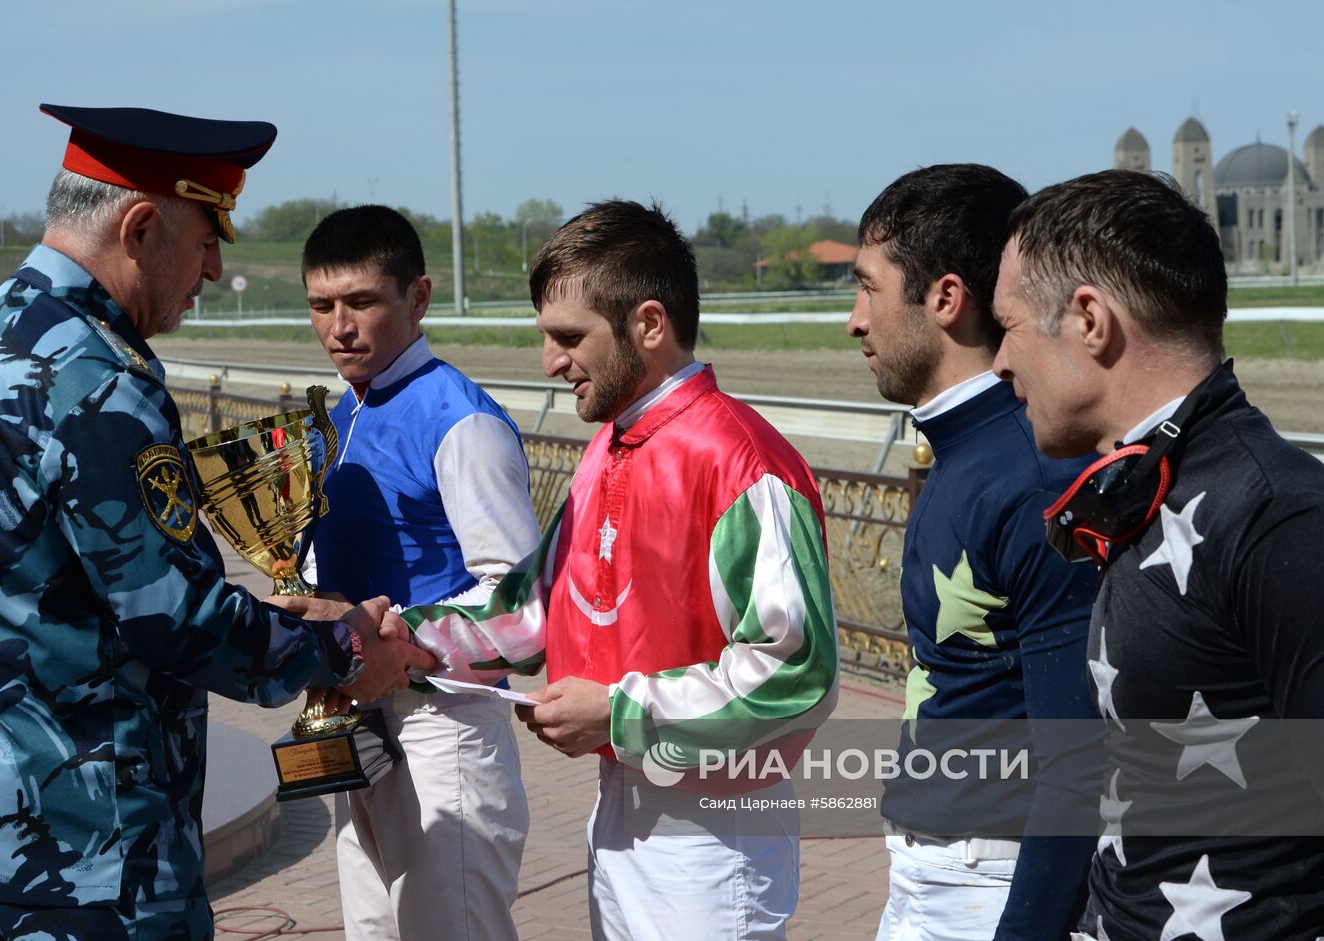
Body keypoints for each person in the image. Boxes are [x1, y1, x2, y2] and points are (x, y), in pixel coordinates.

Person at [0, 104, 434, 940]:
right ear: (140, 226)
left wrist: (287, 612)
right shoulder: (95, 376)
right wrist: (344, 648)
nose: (210, 271)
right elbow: (179, 619)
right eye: (205, 241)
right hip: (93, 853)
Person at [388, 200, 838, 940]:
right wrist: (397, 640)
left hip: (713, 837)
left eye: (569, 338)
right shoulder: (608, 447)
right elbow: (533, 612)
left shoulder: (742, 461)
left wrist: (621, 712)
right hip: (621, 805)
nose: (550, 362)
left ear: (649, 325)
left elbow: (796, 672)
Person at [991, 169, 1324, 939]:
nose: (1000, 361)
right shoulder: (1149, 487)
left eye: (1008, 325)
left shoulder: (1279, 515)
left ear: (1089, 320)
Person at [847, 164, 1103, 941]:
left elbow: (1080, 763)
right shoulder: (965, 452)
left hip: (991, 884)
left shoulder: (1028, 476)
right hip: (932, 873)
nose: (854, 320)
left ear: (946, 299)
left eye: (866, 287)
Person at [270, 205, 539, 941]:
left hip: (441, 729)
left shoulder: (461, 420)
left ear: (417, 297)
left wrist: (397, 641)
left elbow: (522, 606)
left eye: (361, 302)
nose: (339, 327)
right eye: (321, 305)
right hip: (357, 720)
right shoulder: (343, 417)